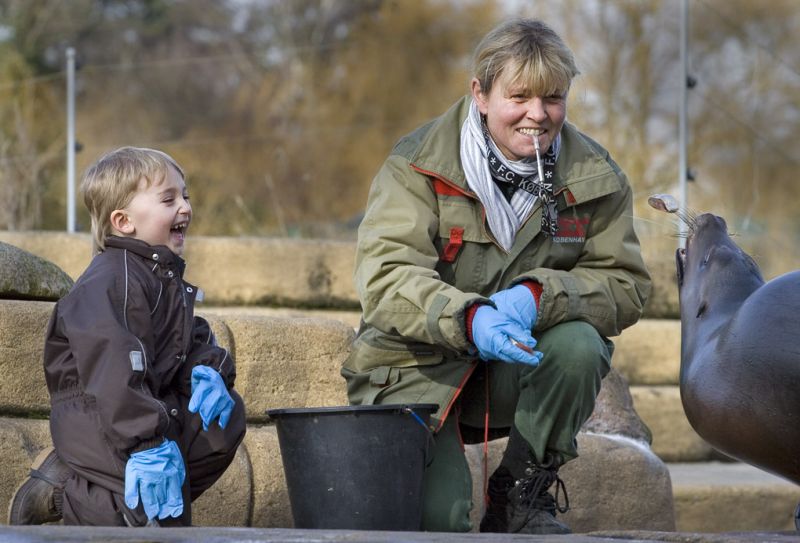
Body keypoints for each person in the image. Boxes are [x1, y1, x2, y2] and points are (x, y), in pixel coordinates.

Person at [341, 18, 650, 535]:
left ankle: (521, 495)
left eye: (553, 97)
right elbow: (384, 278)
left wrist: (537, 296)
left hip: (515, 365)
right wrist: (470, 316)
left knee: (579, 345)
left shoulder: (596, 177)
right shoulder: (414, 166)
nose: (538, 114)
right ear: (480, 94)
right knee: (442, 520)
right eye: (520, 96)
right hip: (413, 369)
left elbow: (626, 285)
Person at [7, 147, 246, 527]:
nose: (184, 207)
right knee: (144, 502)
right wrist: (147, 443)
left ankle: (114, 479)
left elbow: (188, 339)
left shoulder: (161, 277)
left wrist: (210, 370)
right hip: (97, 411)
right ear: (123, 221)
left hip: (142, 406)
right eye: (168, 199)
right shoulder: (110, 280)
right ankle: (62, 489)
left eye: (185, 195)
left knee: (221, 422)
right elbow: (113, 369)